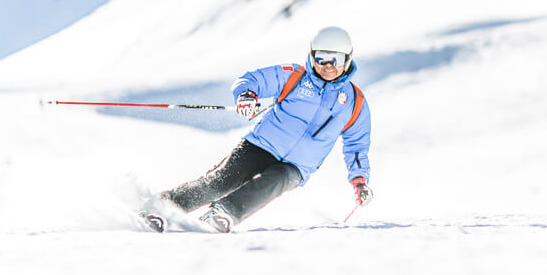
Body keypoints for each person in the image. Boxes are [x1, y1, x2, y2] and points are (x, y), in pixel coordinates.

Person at [141, 26, 373, 233]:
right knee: (220, 182)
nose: (328, 66)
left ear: (347, 59)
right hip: (261, 145)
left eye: (336, 59)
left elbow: (356, 146)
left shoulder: (355, 102)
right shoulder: (294, 76)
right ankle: (157, 208)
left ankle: (223, 213)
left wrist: (360, 181)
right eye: (322, 58)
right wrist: (246, 96)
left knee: (276, 180)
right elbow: (252, 80)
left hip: (297, 166)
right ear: (312, 56)